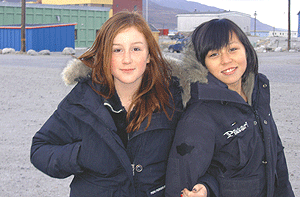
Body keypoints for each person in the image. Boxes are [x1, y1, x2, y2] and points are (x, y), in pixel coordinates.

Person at [30, 11, 183, 197]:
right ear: (104, 55)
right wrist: (81, 154)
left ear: (149, 55)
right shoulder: (84, 99)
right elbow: (39, 149)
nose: (127, 59)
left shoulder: (171, 98)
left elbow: (199, 151)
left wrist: (205, 185)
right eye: (116, 50)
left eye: (136, 49)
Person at [165, 19, 295, 197]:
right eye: (214, 54)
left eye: (232, 49)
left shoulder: (257, 94)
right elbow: (181, 185)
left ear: (246, 50)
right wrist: (207, 190)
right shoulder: (199, 116)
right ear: (202, 64)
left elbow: (276, 158)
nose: (226, 60)